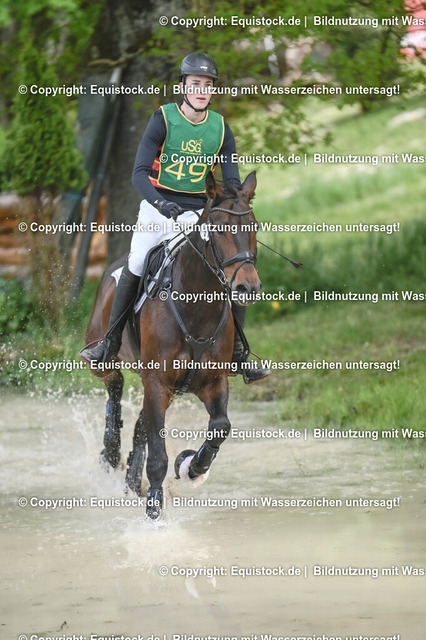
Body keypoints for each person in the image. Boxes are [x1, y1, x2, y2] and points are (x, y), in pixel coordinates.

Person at [81, 52, 270, 383]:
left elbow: (231, 184)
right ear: (183, 86)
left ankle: (238, 353)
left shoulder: (221, 129)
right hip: (157, 208)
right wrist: (160, 202)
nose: (202, 91)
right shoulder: (163, 119)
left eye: (207, 85)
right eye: (195, 84)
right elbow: (139, 173)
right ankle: (109, 344)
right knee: (137, 261)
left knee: (233, 266)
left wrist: (235, 209)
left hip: (197, 214)